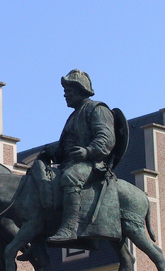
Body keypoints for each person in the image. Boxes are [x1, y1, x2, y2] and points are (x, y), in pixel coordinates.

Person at [41, 69, 115, 241]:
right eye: (65, 92)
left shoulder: (97, 109)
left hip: (92, 164)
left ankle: (69, 228)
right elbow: (64, 148)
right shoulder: (73, 116)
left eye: (69, 92)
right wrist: (53, 152)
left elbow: (106, 138)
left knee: (70, 177)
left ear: (81, 90)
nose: (65, 95)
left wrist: (88, 151)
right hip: (72, 162)